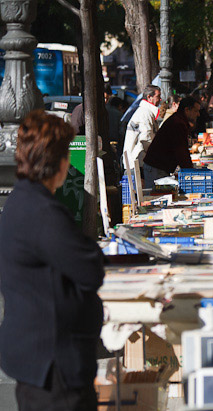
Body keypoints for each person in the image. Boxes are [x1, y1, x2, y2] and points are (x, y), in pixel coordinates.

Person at [0, 111, 105, 411]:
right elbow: (89, 267)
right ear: (59, 164)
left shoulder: (23, 201)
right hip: (52, 363)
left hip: (41, 357)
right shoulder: (41, 211)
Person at [143, 97, 201, 188]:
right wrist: (190, 172)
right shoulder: (178, 123)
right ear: (187, 110)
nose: (198, 114)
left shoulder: (179, 121)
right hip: (157, 167)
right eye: (196, 111)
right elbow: (181, 151)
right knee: (158, 198)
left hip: (159, 166)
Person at [122, 84, 161, 170]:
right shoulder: (145, 114)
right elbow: (146, 139)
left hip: (139, 162)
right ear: (149, 97)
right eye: (158, 96)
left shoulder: (146, 112)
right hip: (137, 163)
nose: (160, 99)